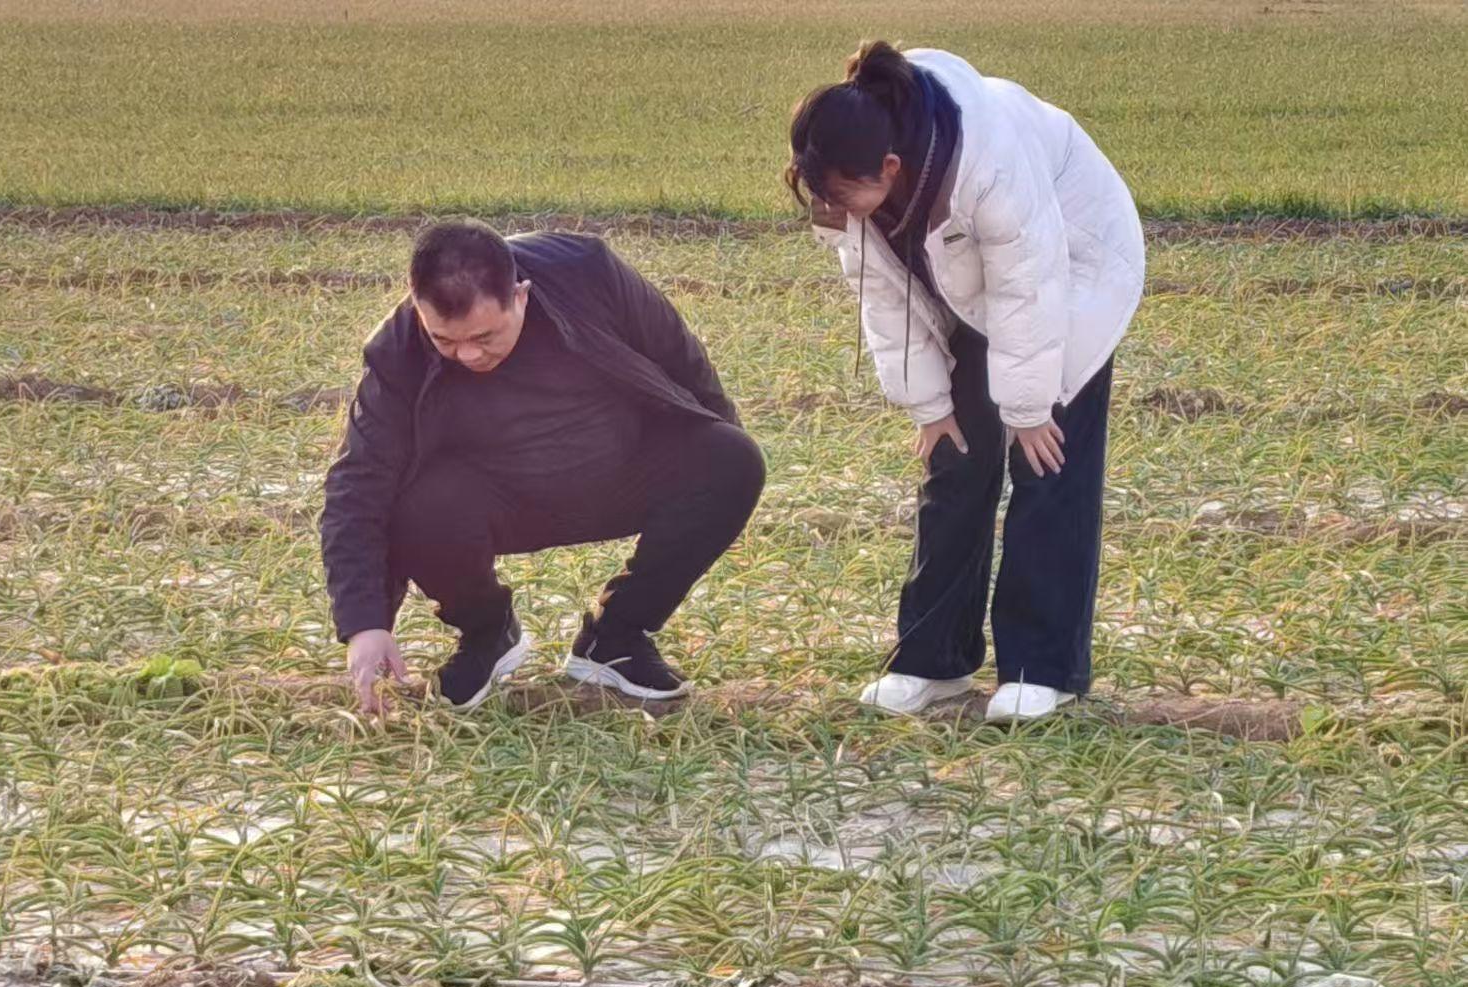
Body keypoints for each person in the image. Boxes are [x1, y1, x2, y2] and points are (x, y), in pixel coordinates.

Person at [787, 42, 1144, 722]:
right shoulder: (850, 187)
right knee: (953, 460)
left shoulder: (990, 164)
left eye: (843, 196)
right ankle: (932, 660)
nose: (837, 212)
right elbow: (883, 300)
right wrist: (928, 405)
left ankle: (1044, 667)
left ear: (889, 168)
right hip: (969, 285)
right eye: (822, 196)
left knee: (1044, 458)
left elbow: (1026, 288)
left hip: (1070, 269)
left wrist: (1030, 407)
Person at [318, 221, 765, 714]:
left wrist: (722, 486)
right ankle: (487, 633)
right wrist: (365, 623)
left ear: (520, 296)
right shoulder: (396, 348)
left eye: (485, 336)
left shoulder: (587, 272)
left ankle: (616, 637)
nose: (467, 355)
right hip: (494, 498)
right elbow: (357, 482)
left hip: (617, 468)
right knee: (414, 504)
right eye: (445, 340)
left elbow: (682, 359)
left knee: (732, 459)